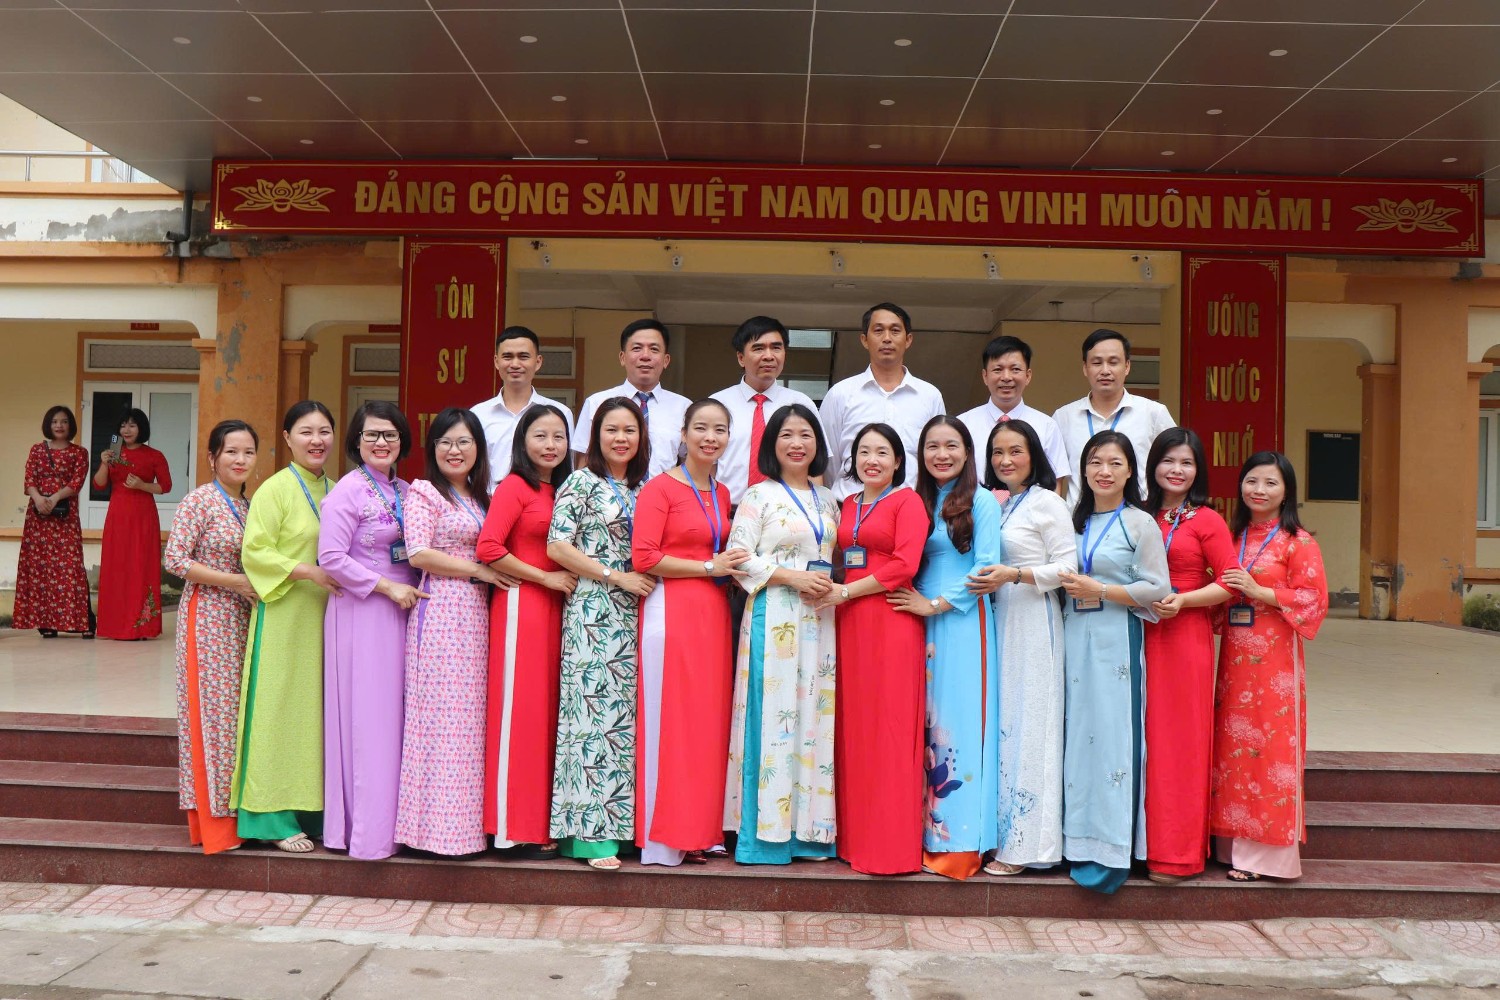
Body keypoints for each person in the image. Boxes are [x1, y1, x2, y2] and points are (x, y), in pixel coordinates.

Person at [632, 399, 749, 866]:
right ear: (683, 434)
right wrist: (707, 566)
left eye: (719, 429)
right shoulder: (659, 488)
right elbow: (644, 557)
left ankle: (697, 831)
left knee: (705, 723)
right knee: (669, 723)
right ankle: (662, 838)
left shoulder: (722, 492)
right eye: (700, 428)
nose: (709, 437)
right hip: (671, 611)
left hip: (712, 615)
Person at [724, 404, 838, 865]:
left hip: (821, 621)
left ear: (818, 444)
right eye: (787, 434)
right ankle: (765, 836)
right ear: (772, 444)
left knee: (814, 720)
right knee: (772, 719)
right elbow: (737, 557)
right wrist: (792, 578)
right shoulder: (758, 495)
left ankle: (809, 833)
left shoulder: (828, 499)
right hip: (775, 618)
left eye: (806, 434)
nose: (797, 443)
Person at [887, 416, 1001, 880]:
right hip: (917, 620)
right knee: (923, 724)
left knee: (958, 725)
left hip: (960, 620)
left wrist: (935, 604)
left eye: (951, 445)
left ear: (967, 452)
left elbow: (986, 569)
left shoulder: (982, 501)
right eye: (932, 446)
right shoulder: (917, 500)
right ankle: (914, 834)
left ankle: (958, 844)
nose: (941, 454)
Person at [1057, 430, 1170, 894]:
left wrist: (1101, 590)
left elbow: (1158, 586)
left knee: (1111, 739)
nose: (1103, 471)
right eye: (1095, 462)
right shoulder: (1072, 520)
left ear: (1129, 472)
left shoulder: (1139, 524)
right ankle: (1073, 842)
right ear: (1083, 470)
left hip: (1115, 640)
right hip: (1070, 635)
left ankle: (1110, 850)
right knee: (1073, 736)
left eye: (1114, 463)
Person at [815, 423, 928, 875]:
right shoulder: (848, 504)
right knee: (855, 728)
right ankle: (855, 839)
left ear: (898, 461)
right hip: (850, 622)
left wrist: (846, 591)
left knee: (890, 728)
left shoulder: (907, 502)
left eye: (882, 452)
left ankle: (889, 847)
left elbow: (904, 565)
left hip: (890, 618)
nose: (872, 460)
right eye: (864, 452)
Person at [546, 398, 654, 870]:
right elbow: (557, 545)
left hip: (639, 610)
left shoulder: (646, 486)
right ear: (595, 435)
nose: (621, 438)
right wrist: (615, 576)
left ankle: (621, 828)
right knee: (594, 722)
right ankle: (590, 838)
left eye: (630, 430)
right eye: (612, 429)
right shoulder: (581, 481)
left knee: (626, 726)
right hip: (595, 610)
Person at [1212, 451, 1329, 884]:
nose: (1259, 490)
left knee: (1269, 746)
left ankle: (1264, 856)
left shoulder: (1298, 541)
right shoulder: (1232, 535)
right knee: (1232, 747)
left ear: (1286, 492)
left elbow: (1313, 599)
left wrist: (1260, 591)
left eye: (1270, 483)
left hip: (1275, 662)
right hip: (1234, 661)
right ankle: (1230, 845)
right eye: (1252, 481)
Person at [967, 418, 1076, 876]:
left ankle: (1030, 846)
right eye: (997, 452)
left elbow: (1068, 568)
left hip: (1034, 618)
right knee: (1006, 725)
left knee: (1033, 725)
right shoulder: (1004, 503)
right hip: (1001, 619)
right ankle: (1001, 835)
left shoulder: (1048, 501)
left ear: (1034, 455)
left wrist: (1015, 574)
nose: (1005, 460)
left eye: (1015, 451)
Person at [319, 401, 427, 861]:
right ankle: (370, 833)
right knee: (371, 720)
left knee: (402, 717)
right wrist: (385, 587)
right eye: (372, 435)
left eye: (390, 435)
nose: (381, 443)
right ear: (357, 441)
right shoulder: (348, 490)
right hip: (364, 611)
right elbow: (330, 558)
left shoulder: (407, 490)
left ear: (403, 440)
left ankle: (403, 826)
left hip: (406, 609)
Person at [397, 408, 506, 857]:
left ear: (479, 448)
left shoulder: (483, 498)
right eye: (444, 442)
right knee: (440, 722)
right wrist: (478, 570)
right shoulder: (424, 493)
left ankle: (465, 830)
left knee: (470, 725)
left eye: (463, 442)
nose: (454, 450)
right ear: (433, 448)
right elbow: (419, 553)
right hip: (440, 610)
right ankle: (430, 833)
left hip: (477, 616)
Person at [233, 400, 342, 853]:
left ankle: (313, 810)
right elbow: (255, 551)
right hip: (284, 613)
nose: (316, 440)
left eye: (324, 431)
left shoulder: (338, 489)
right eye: (306, 432)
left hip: (329, 617)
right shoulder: (274, 490)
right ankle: (271, 815)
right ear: (287, 438)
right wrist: (309, 571)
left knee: (317, 714)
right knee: (278, 710)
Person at [477, 404, 576, 855]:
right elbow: (489, 547)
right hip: (523, 606)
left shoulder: (564, 488)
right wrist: (544, 578)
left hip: (557, 608)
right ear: (522, 441)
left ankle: (537, 822)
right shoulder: (514, 486)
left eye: (558, 437)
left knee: (546, 715)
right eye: (540, 436)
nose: (550, 445)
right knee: (519, 714)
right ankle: (509, 827)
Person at [1140, 428, 1236, 884]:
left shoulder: (1206, 520)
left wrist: (1185, 601)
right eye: (1168, 460)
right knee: (1139, 740)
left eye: (1187, 462)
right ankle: (1135, 846)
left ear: (1198, 470)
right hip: (1135, 633)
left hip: (1182, 638)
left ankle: (1175, 853)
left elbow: (1231, 580)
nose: (1176, 470)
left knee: (1177, 741)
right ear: (1153, 465)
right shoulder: (1138, 513)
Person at [162, 420, 260, 855]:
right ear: (212, 457)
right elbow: (175, 560)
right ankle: (215, 826)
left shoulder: (250, 505)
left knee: (235, 720)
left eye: (248, 452)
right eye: (231, 452)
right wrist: (234, 581)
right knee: (212, 719)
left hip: (242, 619)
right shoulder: (199, 500)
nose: (240, 460)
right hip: (207, 618)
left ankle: (240, 815)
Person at [818, 303, 945, 500]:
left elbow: (936, 455)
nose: (887, 338)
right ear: (864, 340)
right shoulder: (840, 394)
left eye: (895, 330)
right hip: (851, 508)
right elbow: (828, 461)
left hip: (911, 508)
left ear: (908, 340)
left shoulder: (929, 396)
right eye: (878, 330)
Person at [709, 316, 821, 507]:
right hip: (728, 512)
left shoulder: (802, 404)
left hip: (787, 513)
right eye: (758, 348)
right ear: (741, 358)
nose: (769, 356)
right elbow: (707, 464)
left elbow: (815, 466)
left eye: (776, 348)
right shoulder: (717, 404)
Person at [1052, 329, 1175, 499]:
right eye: (1097, 363)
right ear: (1085, 368)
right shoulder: (1064, 417)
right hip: (1079, 515)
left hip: (1137, 513)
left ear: (1127, 366)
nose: (1105, 370)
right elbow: (1052, 477)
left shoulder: (1153, 413)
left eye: (1113, 362)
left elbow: (1174, 466)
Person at [572, 319, 690, 479]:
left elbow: (687, 463)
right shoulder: (596, 403)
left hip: (664, 494)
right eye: (637, 348)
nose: (645, 356)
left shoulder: (684, 408)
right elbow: (583, 463)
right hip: (609, 493)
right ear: (622, 358)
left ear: (666, 360)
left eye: (654, 349)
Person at [956, 335, 1071, 496]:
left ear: (1028, 376)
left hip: (1031, 512)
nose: (1006, 377)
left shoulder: (1046, 425)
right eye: (998, 370)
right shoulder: (963, 425)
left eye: (1015, 369)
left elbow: (1054, 484)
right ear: (985, 376)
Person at [93, 407, 171, 640]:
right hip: (117, 515)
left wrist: (142, 485)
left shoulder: (154, 455)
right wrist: (104, 463)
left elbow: (165, 486)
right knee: (116, 566)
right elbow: (99, 484)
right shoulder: (113, 453)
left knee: (140, 566)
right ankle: (113, 626)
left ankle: (141, 627)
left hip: (143, 516)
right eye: (123, 425)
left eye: (132, 425)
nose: (126, 430)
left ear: (141, 428)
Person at [15, 405, 93, 638]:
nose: (59, 425)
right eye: (54, 422)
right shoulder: (37, 450)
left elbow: (77, 482)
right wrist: (39, 499)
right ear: (48, 425)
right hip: (38, 518)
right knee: (40, 568)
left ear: (71, 425)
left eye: (64, 421)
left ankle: (81, 622)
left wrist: (55, 497)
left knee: (70, 567)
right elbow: (29, 479)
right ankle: (46, 623)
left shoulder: (80, 453)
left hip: (65, 517)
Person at [472, 325, 575, 486]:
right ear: (496, 362)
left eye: (523, 356)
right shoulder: (478, 414)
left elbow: (568, 467)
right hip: (488, 500)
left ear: (538, 362)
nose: (515, 364)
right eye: (507, 357)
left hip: (543, 499)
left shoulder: (560, 413)